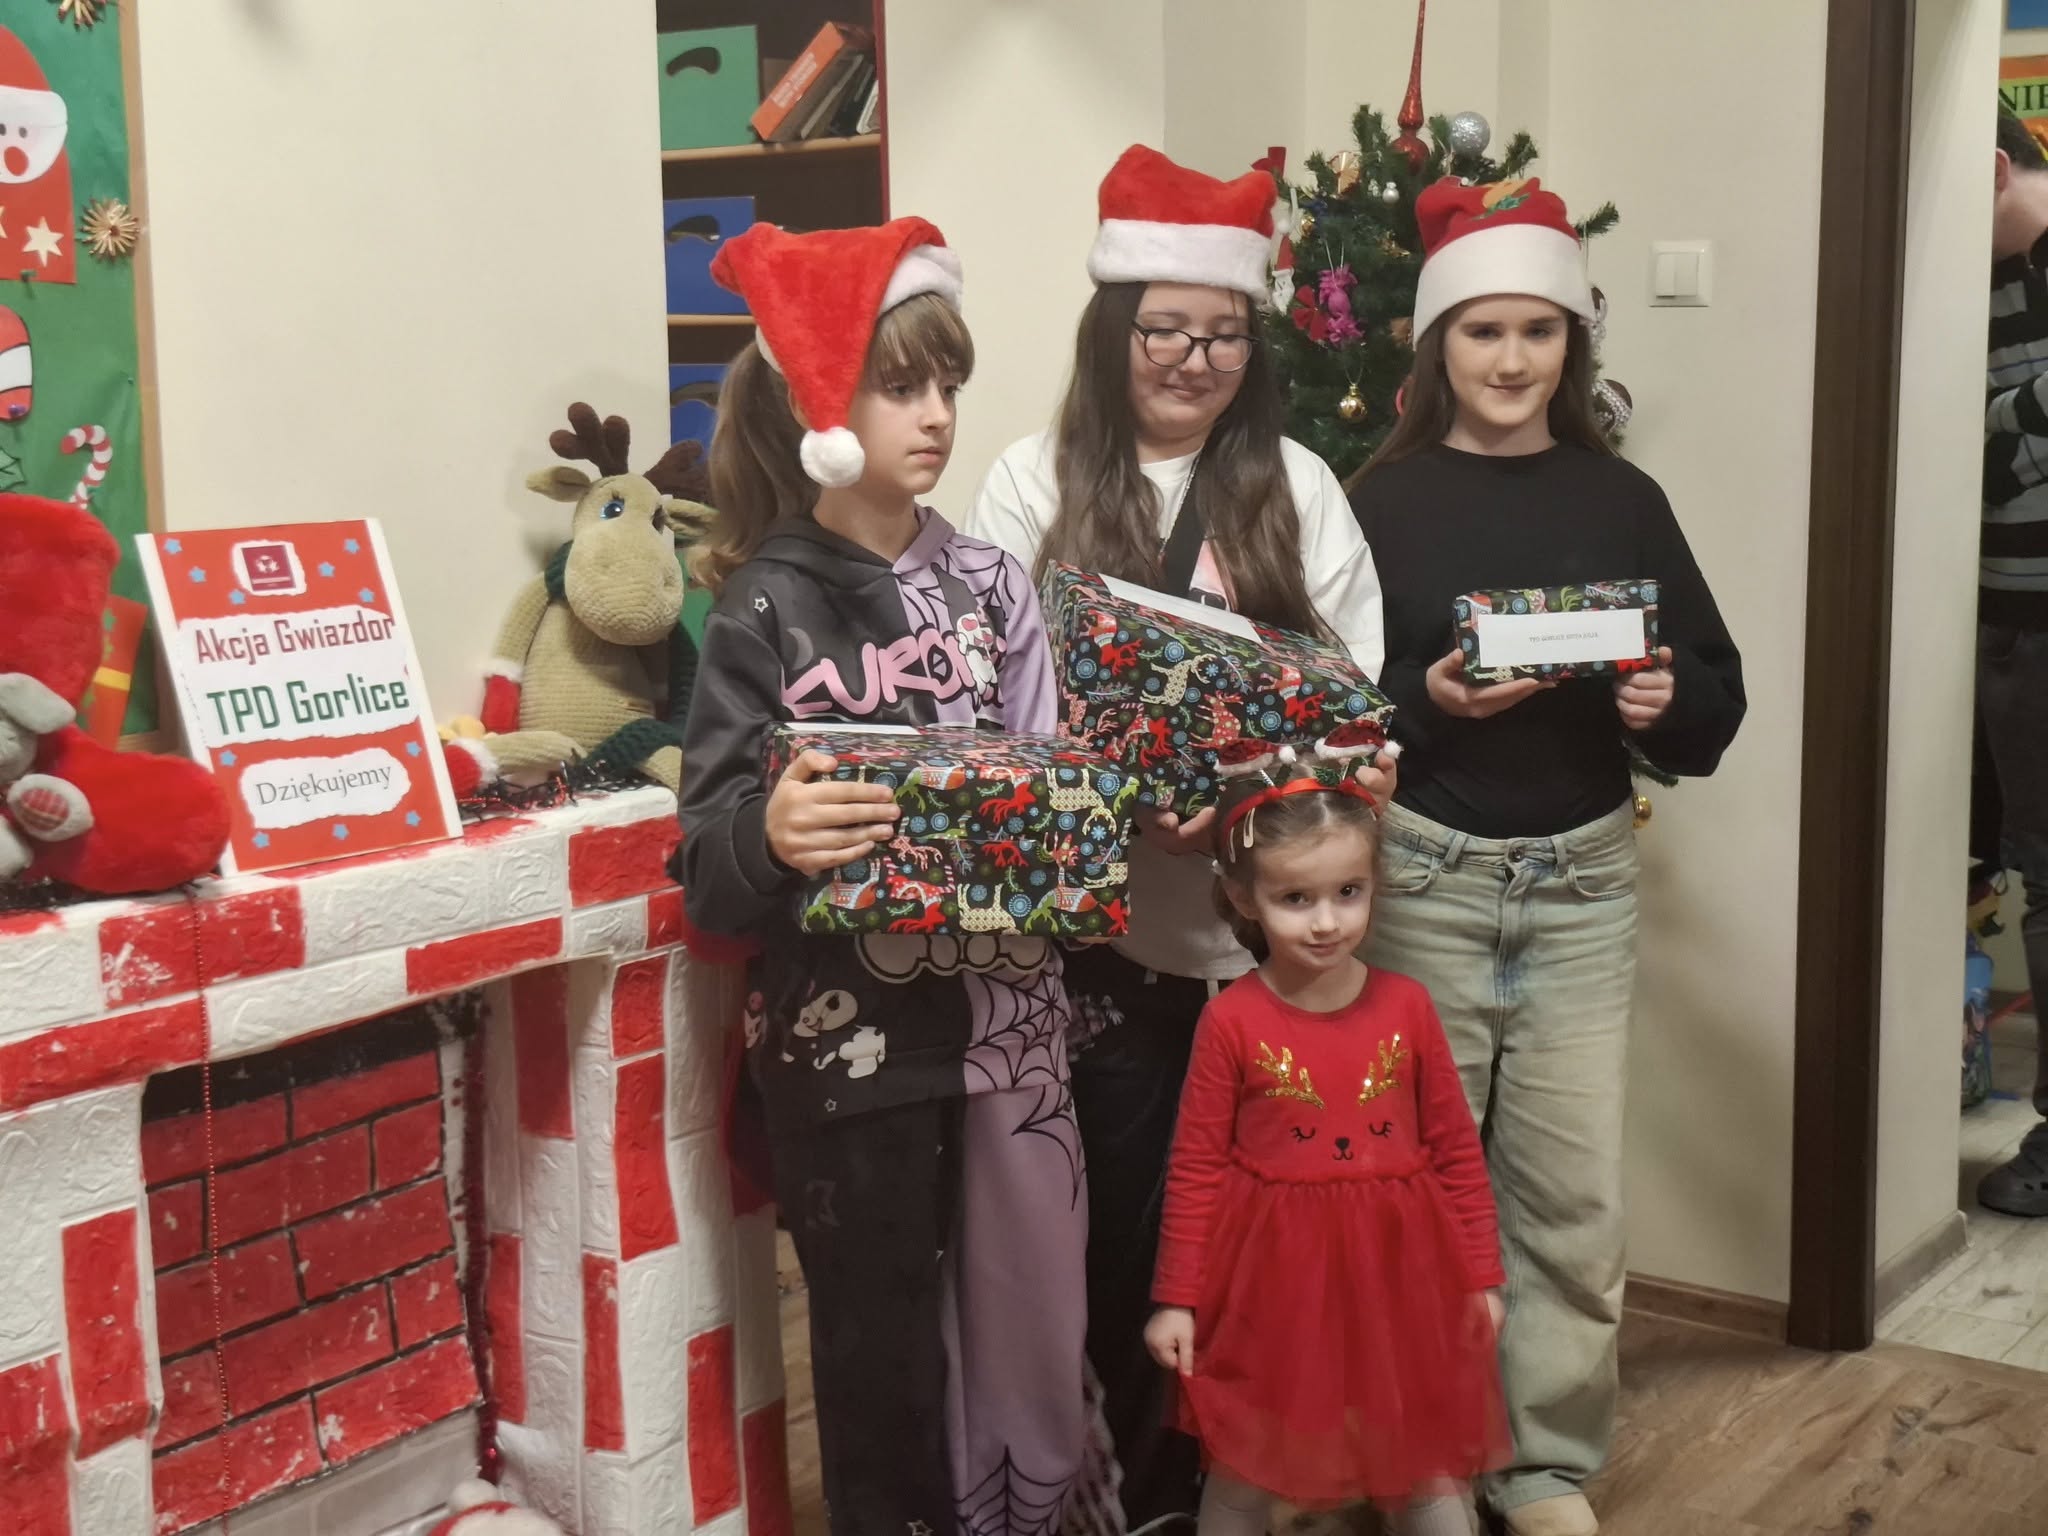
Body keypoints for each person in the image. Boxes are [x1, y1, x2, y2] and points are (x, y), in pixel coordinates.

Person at [966, 144, 1390, 1529]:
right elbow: (994, 704)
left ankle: (1259, 1478)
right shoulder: (1029, 481)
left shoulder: (1299, 486)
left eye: (1221, 334)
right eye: (1163, 329)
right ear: (1113, 330)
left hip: (1273, 944)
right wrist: (1126, 801)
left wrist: (1254, 797)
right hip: (1102, 946)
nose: (1192, 360)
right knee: (1117, 1237)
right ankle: (1136, 1491)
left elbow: (1351, 694)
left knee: (1275, 1223)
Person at [675, 219, 1084, 1536]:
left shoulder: (994, 587)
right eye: (902, 386)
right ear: (822, 407)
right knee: (877, 1363)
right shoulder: (761, 607)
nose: (938, 416)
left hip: (1012, 1042)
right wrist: (770, 833)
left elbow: (1050, 795)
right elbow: (706, 863)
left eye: (948, 383)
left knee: (1029, 1326)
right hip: (849, 1066)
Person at [1348, 178, 1745, 1536]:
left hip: (1580, 885)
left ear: (1574, 342)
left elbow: (1712, 698)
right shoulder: (1378, 501)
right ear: (1436, 345)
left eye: (1539, 330)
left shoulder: (1622, 498)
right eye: (1483, 331)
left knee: (1570, 1193)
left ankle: (1544, 1464)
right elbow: (1328, 703)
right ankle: (1424, 1457)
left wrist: (1664, 703)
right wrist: (1423, 703)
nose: (1511, 359)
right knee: (1414, 1187)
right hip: (1423, 875)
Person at [1144, 761, 1507, 1536]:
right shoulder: (1230, 1021)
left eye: (1348, 892)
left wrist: (1481, 1276)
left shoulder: (1408, 1006)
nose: (1326, 922)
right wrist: (1178, 1300)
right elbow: (1196, 1169)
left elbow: (1456, 1152)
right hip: (1271, 1287)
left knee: (1423, 1457)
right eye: (1295, 898)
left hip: (1403, 1279)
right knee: (1247, 1460)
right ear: (1245, 898)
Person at [1975, 109, 2048, 1217]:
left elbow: (1984, 441)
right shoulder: (1971, 283)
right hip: (1997, 622)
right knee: (2028, 876)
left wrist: (1999, 421)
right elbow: (1961, 450)